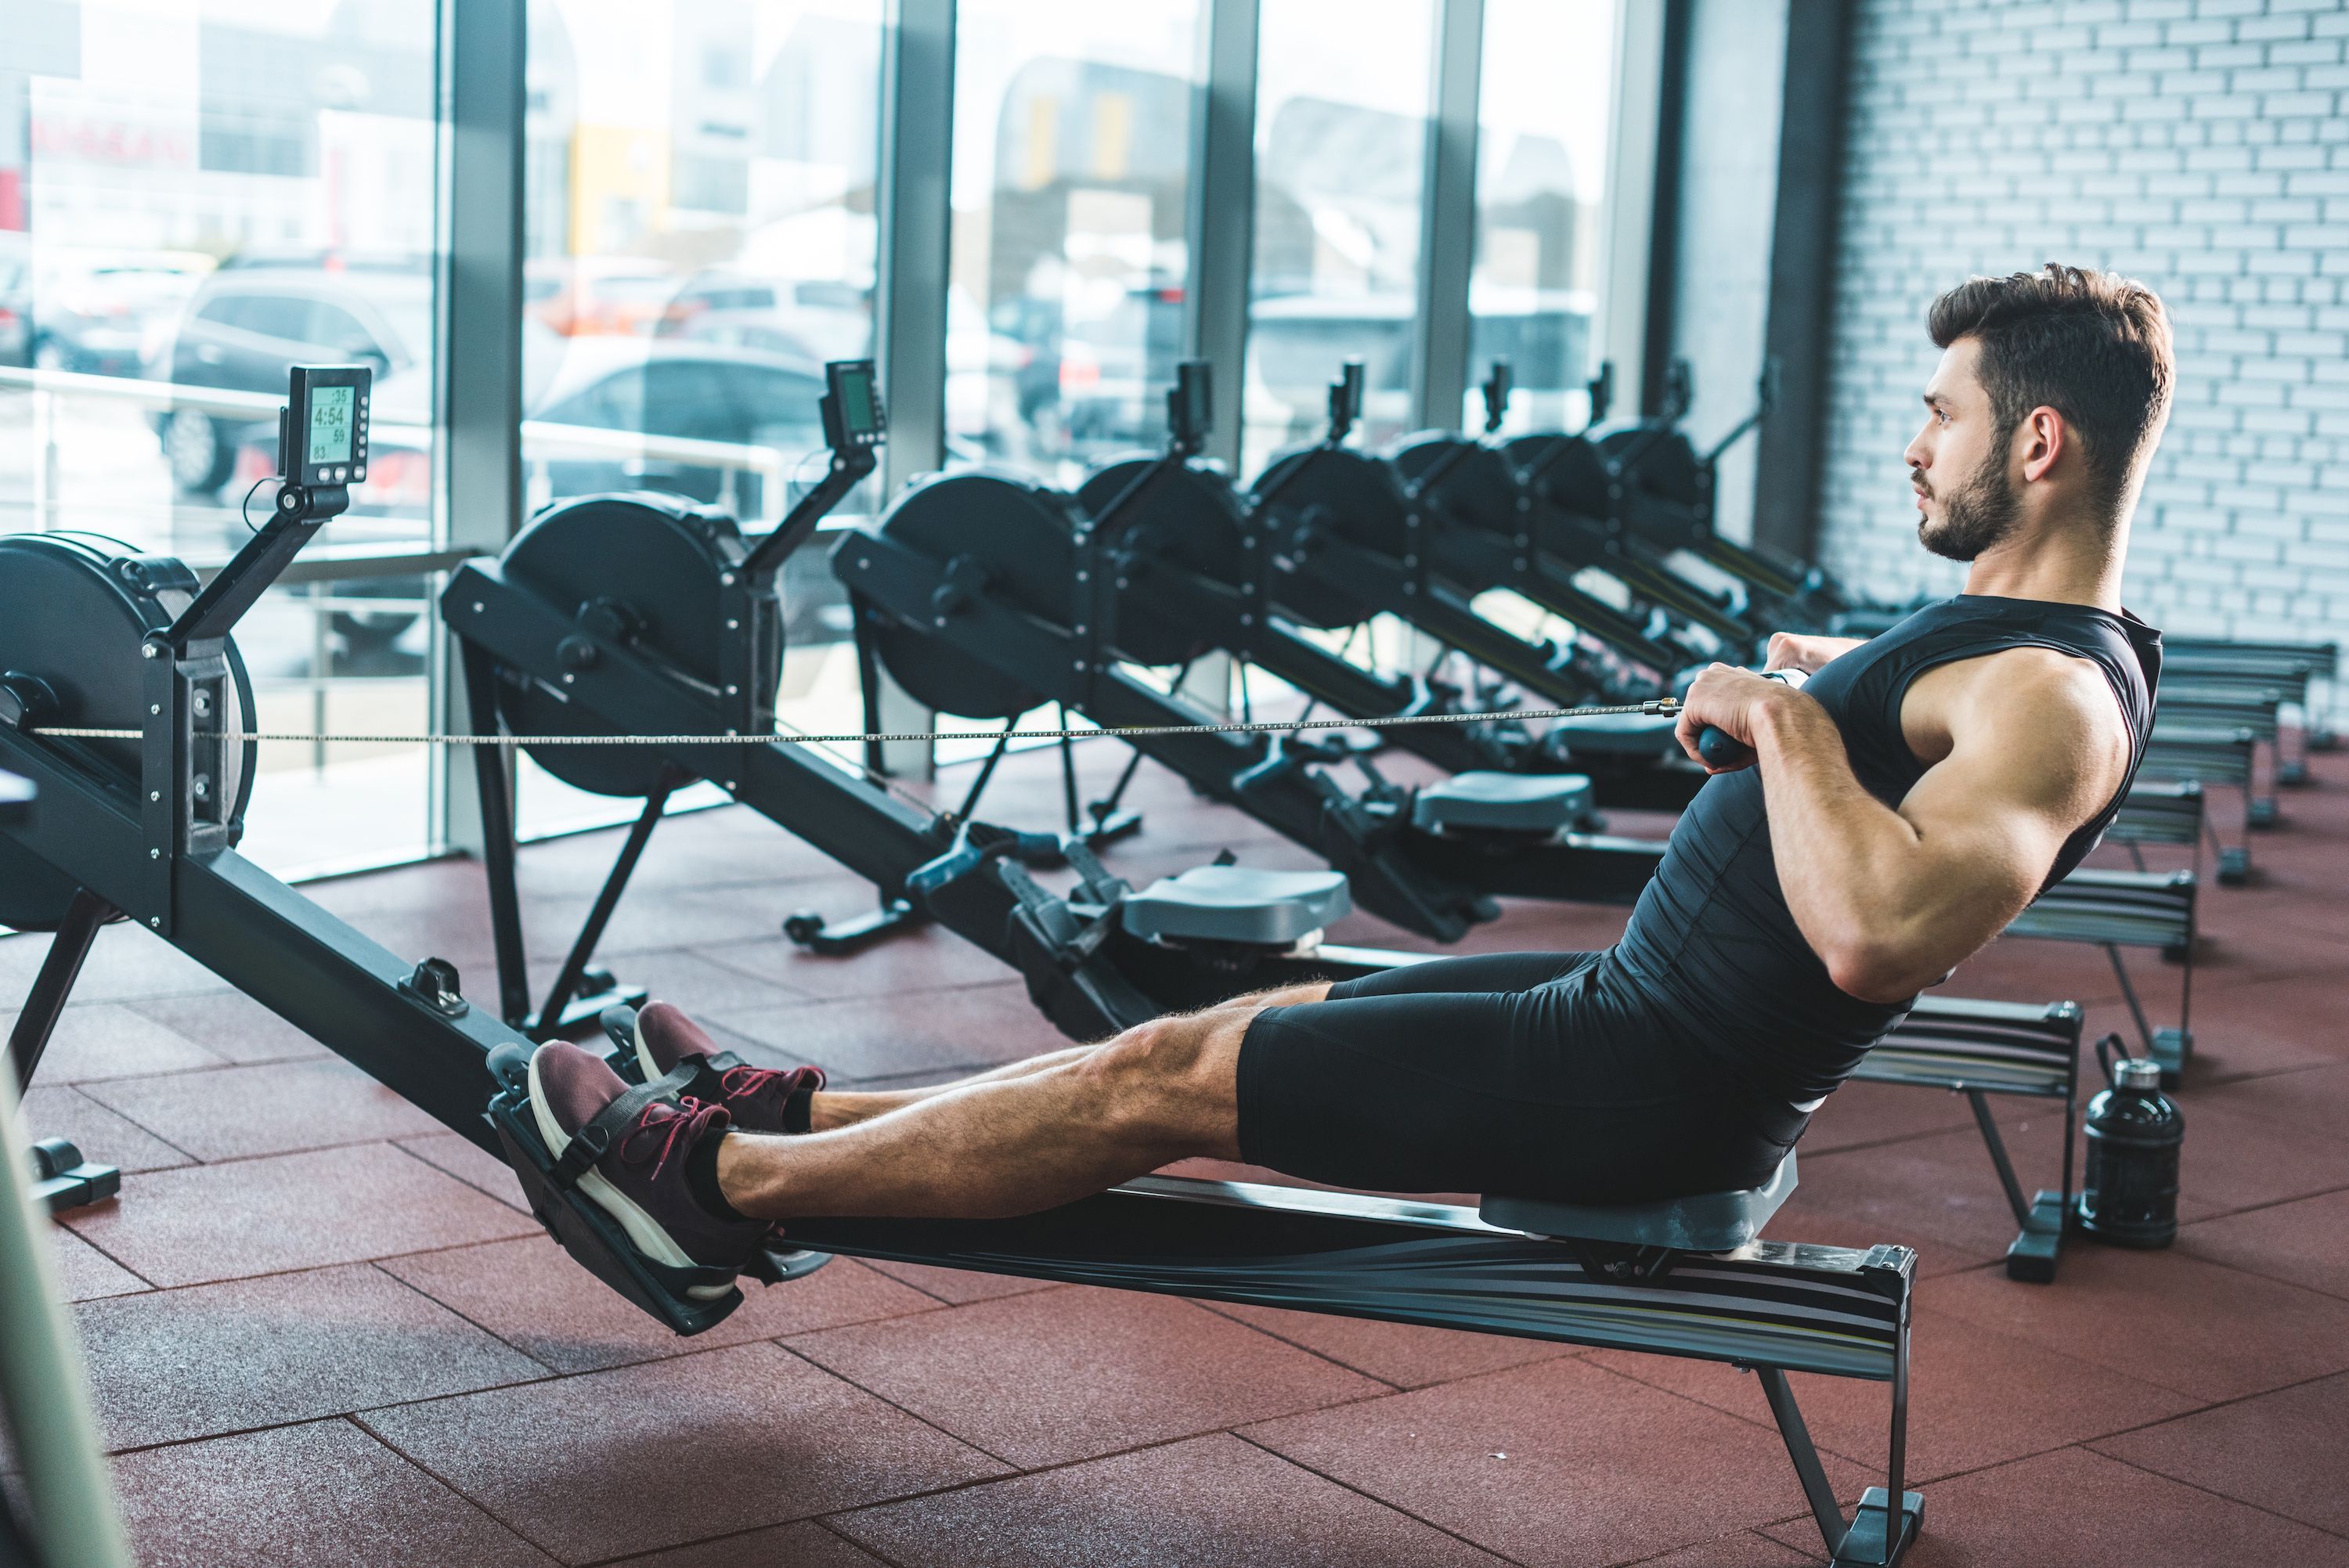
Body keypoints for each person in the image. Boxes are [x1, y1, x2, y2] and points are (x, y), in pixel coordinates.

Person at [525, 263, 2174, 1281]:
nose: (1914, 440)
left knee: (1145, 1090)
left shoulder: (2054, 699)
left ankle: (715, 1187)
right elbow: (1929, 735)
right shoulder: (2027, 640)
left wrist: (1782, 714)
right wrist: (1839, 682)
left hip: (1652, 1090)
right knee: (1196, 1035)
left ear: (2040, 445)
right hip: (1627, 1007)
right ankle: (794, 1114)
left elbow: (1884, 933)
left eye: (1942, 413)